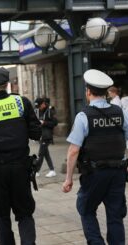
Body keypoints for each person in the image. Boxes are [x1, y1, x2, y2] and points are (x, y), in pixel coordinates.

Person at [0, 67, 42, 245]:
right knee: (25, 214)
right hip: (21, 167)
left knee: (2, 217)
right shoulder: (22, 102)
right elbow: (36, 133)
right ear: (8, 84)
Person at [62, 69, 128, 245]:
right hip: (118, 172)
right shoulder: (120, 113)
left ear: (88, 92)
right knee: (115, 215)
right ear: (106, 92)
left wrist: (68, 179)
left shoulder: (83, 116)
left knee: (86, 209)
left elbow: (73, 150)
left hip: (95, 173)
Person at [34, 97, 58, 177]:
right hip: (41, 135)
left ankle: (36, 171)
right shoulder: (37, 110)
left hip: (47, 135)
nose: (38, 108)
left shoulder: (50, 111)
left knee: (41, 154)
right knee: (45, 153)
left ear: (43, 104)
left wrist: (44, 123)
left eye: (39, 106)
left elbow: (55, 122)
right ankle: (52, 170)